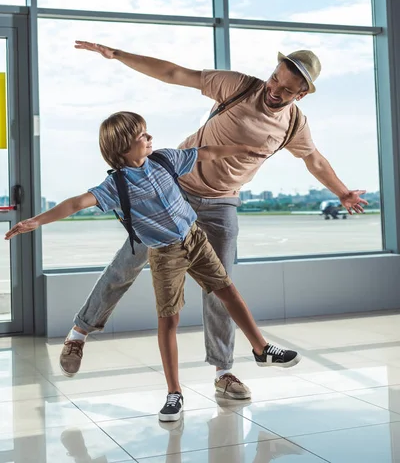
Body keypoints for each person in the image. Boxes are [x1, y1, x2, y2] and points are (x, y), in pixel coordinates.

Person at [63, 42, 367, 400]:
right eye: (274, 80)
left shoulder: (294, 124)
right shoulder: (237, 86)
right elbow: (176, 73)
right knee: (126, 265)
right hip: (173, 192)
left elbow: (313, 159)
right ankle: (79, 335)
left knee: (221, 288)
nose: (274, 90)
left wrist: (342, 192)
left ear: (301, 94)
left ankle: (224, 372)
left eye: (286, 89)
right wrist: (120, 56)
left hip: (222, 203)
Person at [5, 111, 301, 421]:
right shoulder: (115, 186)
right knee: (168, 321)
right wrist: (35, 221)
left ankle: (261, 348)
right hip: (165, 254)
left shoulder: (164, 160)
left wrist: (243, 151)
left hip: (195, 238)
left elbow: (207, 153)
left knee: (228, 292)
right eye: (141, 137)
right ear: (122, 150)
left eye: (147, 133)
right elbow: (77, 203)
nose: (149, 138)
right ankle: (174, 392)